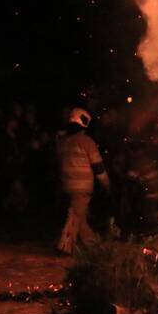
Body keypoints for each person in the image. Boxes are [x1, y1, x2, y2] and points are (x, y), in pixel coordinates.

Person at [56, 108, 110, 254]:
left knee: (80, 218)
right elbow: (98, 167)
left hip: (67, 185)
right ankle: (65, 247)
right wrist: (106, 184)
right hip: (82, 187)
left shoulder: (63, 142)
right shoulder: (87, 142)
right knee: (75, 216)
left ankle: (94, 246)